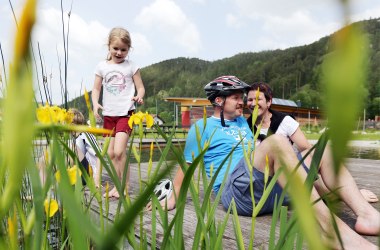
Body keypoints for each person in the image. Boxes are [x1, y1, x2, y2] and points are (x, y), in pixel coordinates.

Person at [147, 76, 380, 249]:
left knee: (322, 150)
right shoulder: (203, 127)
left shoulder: (244, 124)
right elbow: (187, 166)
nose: (243, 103)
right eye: (237, 98)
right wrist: (173, 196)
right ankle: (333, 232)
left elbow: (286, 167)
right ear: (218, 100)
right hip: (235, 194)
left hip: (266, 189)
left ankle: (366, 215)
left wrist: (342, 192)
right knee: (278, 141)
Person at [246, 82, 378, 203]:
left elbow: (306, 149)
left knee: (320, 155)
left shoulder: (284, 121)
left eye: (258, 99)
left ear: (269, 102)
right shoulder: (244, 127)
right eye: (250, 100)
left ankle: (353, 196)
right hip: (262, 179)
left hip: (289, 172)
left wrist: (314, 179)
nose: (252, 103)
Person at [91, 27, 145, 198]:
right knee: (110, 153)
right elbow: (96, 88)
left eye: (124, 49)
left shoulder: (132, 67)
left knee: (120, 151)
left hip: (125, 114)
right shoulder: (102, 67)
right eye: (116, 48)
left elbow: (141, 87)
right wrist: (95, 103)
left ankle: (126, 186)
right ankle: (117, 185)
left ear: (129, 49)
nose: (119, 52)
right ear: (109, 46)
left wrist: (139, 96)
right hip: (109, 114)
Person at [70, 108, 102, 187]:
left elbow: (100, 156)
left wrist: (97, 180)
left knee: (72, 147)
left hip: (87, 175)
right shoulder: (75, 138)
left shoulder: (85, 135)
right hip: (78, 172)